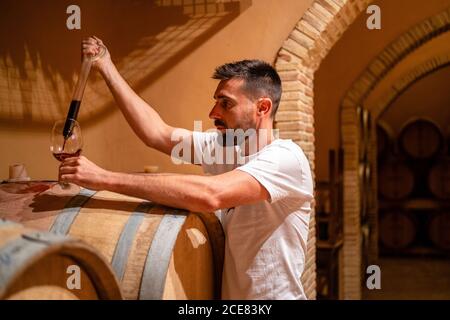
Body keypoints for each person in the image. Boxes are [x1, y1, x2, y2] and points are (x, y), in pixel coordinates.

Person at [59, 36, 314, 300]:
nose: (213, 112)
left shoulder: (286, 159)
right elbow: (156, 133)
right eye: (216, 101)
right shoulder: (226, 148)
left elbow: (209, 195)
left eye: (225, 103)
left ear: (262, 107)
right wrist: (106, 66)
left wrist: (102, 178)